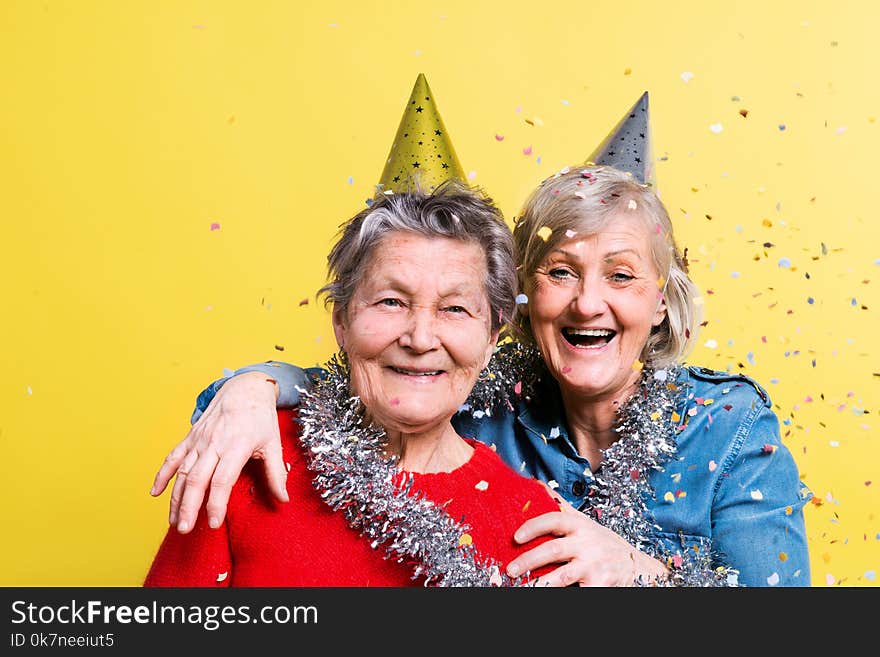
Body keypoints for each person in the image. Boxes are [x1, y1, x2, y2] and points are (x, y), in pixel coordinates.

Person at [144, 181, 576, 587]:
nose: (420, 339)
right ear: (342, 322)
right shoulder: (247, 455)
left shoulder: (535, 524)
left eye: (455, 309)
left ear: (490, 339)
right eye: (391, 301)